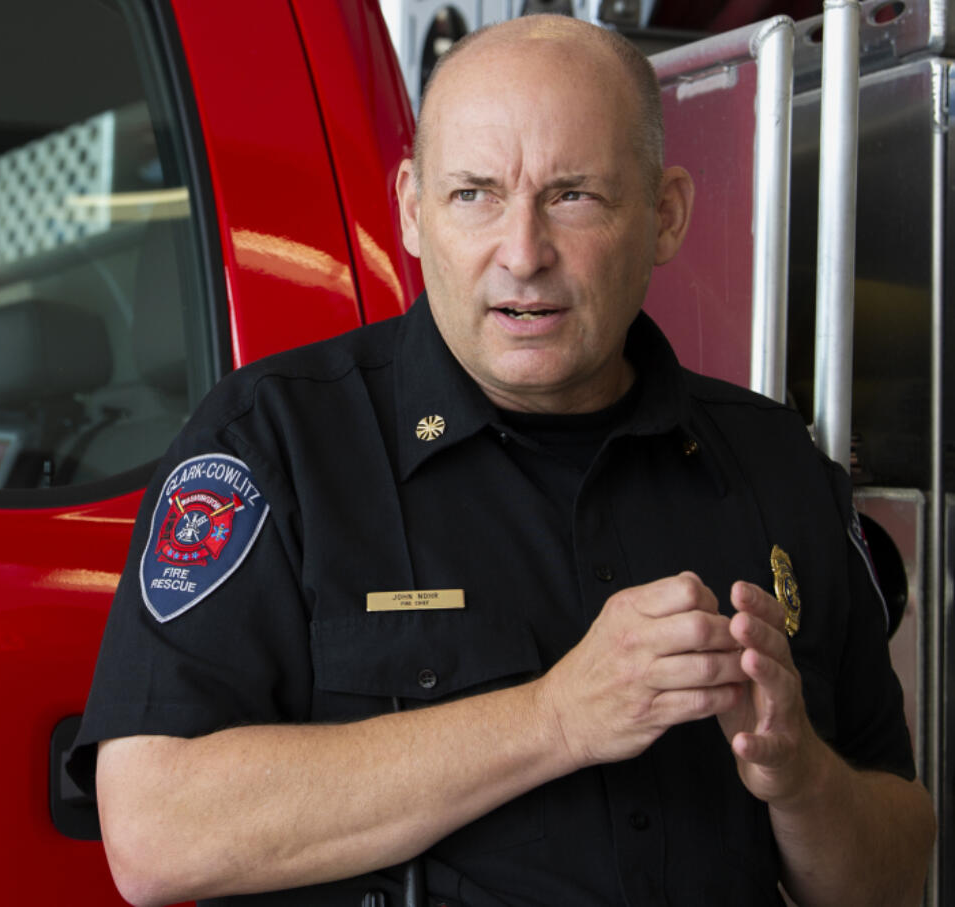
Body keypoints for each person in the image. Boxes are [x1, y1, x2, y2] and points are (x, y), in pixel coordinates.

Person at [70, 14, 935, 907]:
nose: (523, 255)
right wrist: (555, 717)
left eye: (574, 197)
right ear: (412, 210)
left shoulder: (772, 464)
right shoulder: (274, 443)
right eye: (474, 195)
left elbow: (891, 873)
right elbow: (154, 831)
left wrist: (799, 775)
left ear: (666, 213)